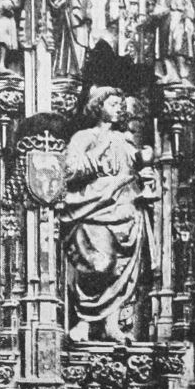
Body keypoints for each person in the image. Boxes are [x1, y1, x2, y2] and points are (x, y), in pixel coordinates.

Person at [59, 86, 156, 342]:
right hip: (94, 207)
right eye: (113, 104)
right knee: (99, 263)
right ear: (97, 106)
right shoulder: (84, 136)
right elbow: (68, 170)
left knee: (121, 268)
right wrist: (96, 157)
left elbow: (136, 170)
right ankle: (84, 321)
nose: (119, 109)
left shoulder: (125, 139)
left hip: (126, 210)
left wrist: (145, 168)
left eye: (120, 105)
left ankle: (111, 324)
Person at [150, 0, 195, 85]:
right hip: (166, 22)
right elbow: (158, 9)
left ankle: (183, 75)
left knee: (179, 48)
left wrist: (187, 18)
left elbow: (190, 8)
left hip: (180, 21)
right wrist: (162, 12)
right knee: (166, 50)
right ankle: (171, 74)